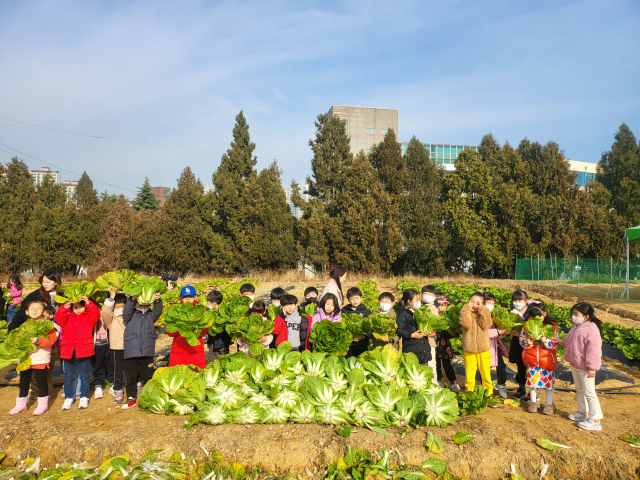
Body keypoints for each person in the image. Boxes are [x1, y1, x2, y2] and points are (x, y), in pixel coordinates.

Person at [9, 300, 59, 416]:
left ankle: (42, 405)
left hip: (40, 358)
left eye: (38, 308)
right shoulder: (23, 326)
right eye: (32, 308)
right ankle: (21, 404)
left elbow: (51, 341)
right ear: (26, 312)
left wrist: (38, 340)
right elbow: (16, 341)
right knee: (23, 382)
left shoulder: (48, 325)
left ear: (43, 312)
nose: (35, 310)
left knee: (41, 381)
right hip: (26, 358)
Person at [560, 302, 604, 431]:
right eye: (573, 314)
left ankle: (595, 420)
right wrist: (560, 341)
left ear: (586, 316)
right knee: (579, 389)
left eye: (576, 314)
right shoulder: (576, 326)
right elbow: (569, 341)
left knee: (589, 392)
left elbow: (594, 350)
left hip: (585, 367)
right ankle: (582, 412)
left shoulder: (591, 329)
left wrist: (592, 367)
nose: (573, 317)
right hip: (575, 364)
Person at [55, 294, 100, 410]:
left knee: (84, 374)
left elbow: (96, 314)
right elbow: (58, 318)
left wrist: (88, 302)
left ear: (85, 307)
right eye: (75, 307)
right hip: (68, 349)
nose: (78, 309)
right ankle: (69, 397)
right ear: (71, 308)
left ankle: (84, 397)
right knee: (68, 375)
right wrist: (65, 306)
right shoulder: (67, 319)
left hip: (83, 349)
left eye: (81, 306)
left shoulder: (89, 319)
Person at [121, 291, 163, 409]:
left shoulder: (151, 316)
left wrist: (158, 301)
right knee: (131, 376)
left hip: (147, 350)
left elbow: (158, 311)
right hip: (131, 351)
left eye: (146, 304)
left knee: (147, 375)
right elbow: (126, 311)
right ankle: (131, 397)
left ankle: (149, 395)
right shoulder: (130, 315)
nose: (143, 306)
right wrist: (133, 299)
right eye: (140, 303)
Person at [520, 304, 559, 415]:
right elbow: (521, 340)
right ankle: (533, 402)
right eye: (533, 316)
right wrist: (528, 343)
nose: (536, 319)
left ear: (545, 314)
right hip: (532, 359)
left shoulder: (552, 327)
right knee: (533, 381)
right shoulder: (526, 326)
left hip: (547, 360)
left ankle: (549, 403)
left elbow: (555, 345)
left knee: (548, 383)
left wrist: (545, 341)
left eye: (539, 316)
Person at [460, 292, 493, 396]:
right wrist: (466, 309)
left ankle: (488, 394)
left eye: (478, 303)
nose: (474, 304)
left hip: (483, 349)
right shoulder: (466, 314)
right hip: (469, 349)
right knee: (469, 374)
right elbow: (467, 325)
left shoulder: (482, 315)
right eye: (472, 301)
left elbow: (486, 324)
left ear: (482, 305)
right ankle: (469, 393)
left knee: (486, 374)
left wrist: (483, 310)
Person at [167, 286, 208, 369]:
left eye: (190, 297)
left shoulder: (202, 310)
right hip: (179, 349)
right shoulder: (175, 311)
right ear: (181, 298)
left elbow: (204, 332)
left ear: (195, 297)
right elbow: (169, 332)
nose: (188, 299)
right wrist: (181, 327)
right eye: (185, 297)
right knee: (178, 376)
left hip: (195, 349)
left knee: (196, 375)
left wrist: (193, 328)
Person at [102, 288, 127, 404]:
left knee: (131, 370)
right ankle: (118, 390)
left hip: (130, 347)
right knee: (117, 371)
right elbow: (105, 312)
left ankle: (134, 388)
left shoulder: (129, 317)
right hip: (116, 348)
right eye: (117, 307)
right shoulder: (111, 319)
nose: (120, 309)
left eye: (122, 306)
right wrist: (111, 298)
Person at [396, 289, 431, 364]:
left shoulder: (422, 312)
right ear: (409, 301)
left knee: (424, 372)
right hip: (411, 350)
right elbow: (399, 329)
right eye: (417, 299)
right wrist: (411, 335)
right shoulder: (403, 314)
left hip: (423, 349)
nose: (419, 301)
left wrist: (431, 333)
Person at [484, 292, 508, 398]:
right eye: (488, 302)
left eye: (493, 303)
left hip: (495, 348)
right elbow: (481, 334)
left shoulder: (494, 316)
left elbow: (498, 334)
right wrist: (497, 332)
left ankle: (501, 385)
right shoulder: (480, 316)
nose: (491, 305)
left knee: (501, 367)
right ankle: (486, 390)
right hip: (485, 347)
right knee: (485, 369)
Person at [434, 297, 460, 392]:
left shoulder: (448, 317)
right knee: (436, 365)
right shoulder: (433, 315)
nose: (443, 307)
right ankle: (438, 381)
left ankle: (453, 382)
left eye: (445, 305)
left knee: (447, 365)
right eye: (441, 305)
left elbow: (451, 334)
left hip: (445, 346)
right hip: (435, 345)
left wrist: (456, 331)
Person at [91, 292, 114, 401]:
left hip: (108, 343)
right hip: (96, 345)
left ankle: (112, 383)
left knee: (110, 364)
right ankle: (98, 385)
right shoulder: (91, 314)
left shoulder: (109, 312)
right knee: (97, 365)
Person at [509, 290, 530, 400]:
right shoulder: (511, 312)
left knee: (531, 367)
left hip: (529, 345)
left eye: (520, 300)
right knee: (520, 366)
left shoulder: (531, 313)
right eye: (515, 300)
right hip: (517, 344)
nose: (517, 302)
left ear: (526, 301)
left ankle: (532, 391)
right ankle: (521, 389)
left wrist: (521, 333)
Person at [342, 287, 371, 358]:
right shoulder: (344, 311)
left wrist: (364, 336)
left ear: (361, 298)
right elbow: (341, 326)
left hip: (362, 343)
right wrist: (349, 336)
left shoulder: (366, 312)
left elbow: (370, 327)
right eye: (352, 299)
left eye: (357, 298)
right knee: (348, 361)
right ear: (348, 300)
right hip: (349, 344)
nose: (355, 300)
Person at [421, 285, 439, 384]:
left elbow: (436, 324)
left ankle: (434, 384)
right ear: (421, 295)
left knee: (431, 363)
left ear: (434, 297)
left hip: (430, 341)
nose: (428, 296)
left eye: (431, 295)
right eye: (426, 294)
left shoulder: (433, 308)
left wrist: (434, 332)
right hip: (419, 341)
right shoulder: (418, 306)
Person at [205, 290, 231, 361]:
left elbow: (228, 327)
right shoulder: (208, 312)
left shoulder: (225, 313)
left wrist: (220, 331)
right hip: (212, 341)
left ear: (214, 304)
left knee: (223, 360)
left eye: (208, 303)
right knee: (212, 359)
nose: (207, 305)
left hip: (222, 342)